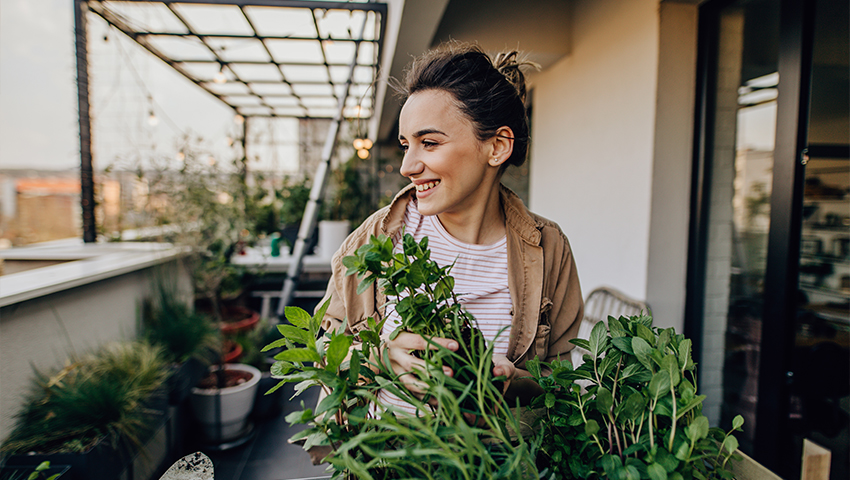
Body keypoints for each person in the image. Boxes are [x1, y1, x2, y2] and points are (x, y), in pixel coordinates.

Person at [318, 41, 584, 415]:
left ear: (497, 147)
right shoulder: (374, 240)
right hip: (384, 462)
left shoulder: (550, 248)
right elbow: (321, 353)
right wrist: (379, 357)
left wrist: (513, 382)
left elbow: (559, 381)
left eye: (429, 143)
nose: (407, 166)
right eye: (406, 144)